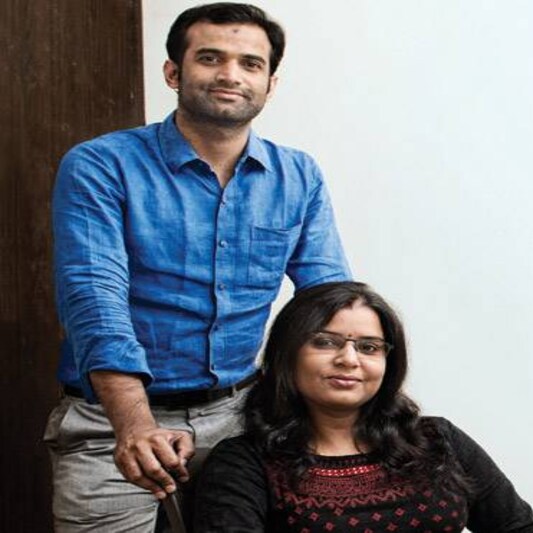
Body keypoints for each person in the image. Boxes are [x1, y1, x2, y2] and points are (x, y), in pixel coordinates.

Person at [43, 3, 350, 531]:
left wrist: (360, 413)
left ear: (270, 83)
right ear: (173, 72)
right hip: (111, 421)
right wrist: (134, 424)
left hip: (244, 420)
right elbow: (94, 298)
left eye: (250, 63)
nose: (231, 74)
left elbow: (327, 301)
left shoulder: (298, 175)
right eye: (210, 58)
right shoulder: (101, 164)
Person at [193, 282, 533, 532]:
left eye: (369, 347)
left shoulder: (437, 439)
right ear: (287, 355)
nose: (349, 359)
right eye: (325, 342)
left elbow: (521, 528)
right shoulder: (245, 463)